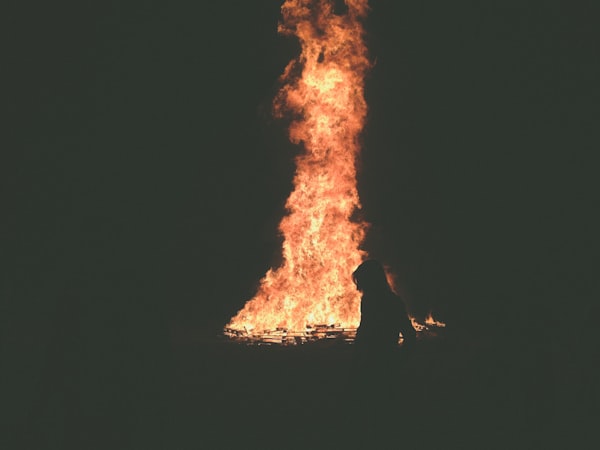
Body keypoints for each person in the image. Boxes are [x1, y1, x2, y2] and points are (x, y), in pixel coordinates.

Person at [352, 259, 416, 357]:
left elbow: (409, 334)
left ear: (370, 281)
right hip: (370, 360)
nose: (358, 288)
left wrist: (400, 357)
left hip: (384, 360)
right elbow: (364, 331)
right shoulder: (368, 301)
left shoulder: (391, 303)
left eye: (361, 282)